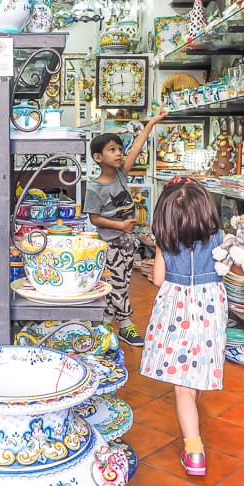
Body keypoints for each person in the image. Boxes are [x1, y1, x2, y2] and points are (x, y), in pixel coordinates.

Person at [139, 177, 244, 477]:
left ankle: (194, 451)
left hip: (175, 311)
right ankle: (193, 428)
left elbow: (158, 279)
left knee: (182, 388)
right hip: (210, 311)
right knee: (197, 372)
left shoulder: (165, 240)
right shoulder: (221, 237)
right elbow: (237, 268)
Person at [83, 108, 167, 346]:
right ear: (98, 157)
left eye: (119, 149)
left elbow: (138, 146)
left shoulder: (121, 174)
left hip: (127, 243)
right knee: (117, 284)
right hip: (110, 245)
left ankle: (107, 322)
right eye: (112, 149)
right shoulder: (95, 187)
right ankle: (126, 325)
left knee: (120, 282)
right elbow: (94, 218)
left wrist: (151, 123)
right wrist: (120, 224)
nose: (119, 153)